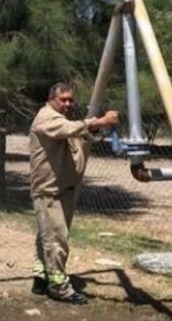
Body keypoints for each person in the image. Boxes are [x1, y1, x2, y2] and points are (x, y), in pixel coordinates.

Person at [29, 82, 119, 304]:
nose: (68, 103)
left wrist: (95, 127)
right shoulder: (46, 118)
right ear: (51, 99)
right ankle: (59, 286)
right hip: (49, 192)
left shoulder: (61, 120)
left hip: (63, 190)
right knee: (57, 238)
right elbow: (70, 130)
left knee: (47, 236)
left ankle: (41, 277)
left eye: (71, 99)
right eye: (63, 99)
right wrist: (99, 121)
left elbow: (78, 135)